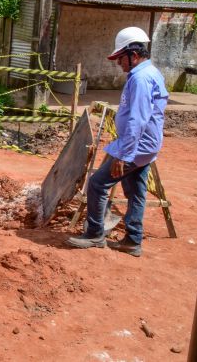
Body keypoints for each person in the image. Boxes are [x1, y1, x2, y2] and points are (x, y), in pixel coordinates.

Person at [68, 26, 168, 257]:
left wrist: (124, 155)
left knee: (98, 183)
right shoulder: (148, 73)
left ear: (133, 55)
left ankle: (94, 234)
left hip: (135, 146)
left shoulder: (141, 79)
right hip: (143, 145)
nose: (118, 63)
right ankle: (133, 240)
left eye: (120, 58)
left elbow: (138, 118)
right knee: (135, 191)